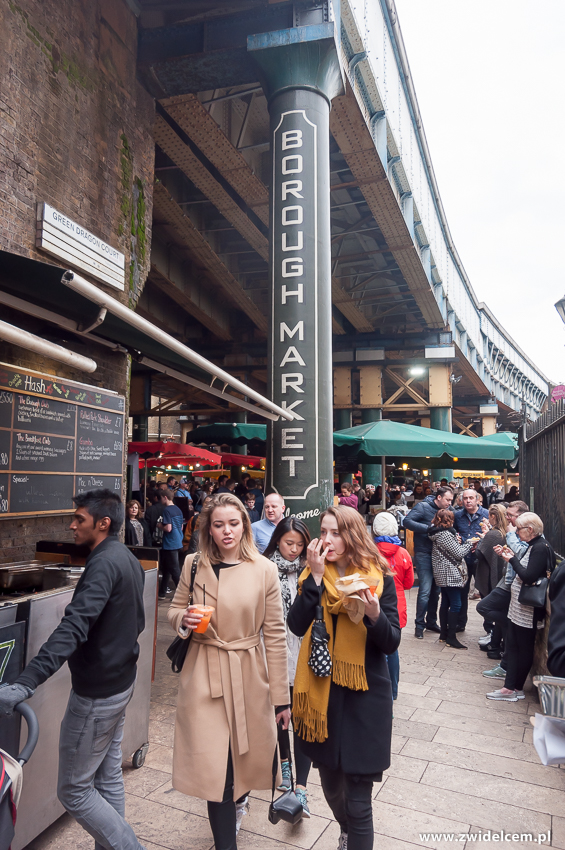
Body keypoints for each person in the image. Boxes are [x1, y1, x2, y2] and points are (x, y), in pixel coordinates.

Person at [0, 489, 146, 849]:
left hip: (97, 696)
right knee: (107, 774)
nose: (72, 525)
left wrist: (26, 681)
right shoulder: (125, 557)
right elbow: (136, 621)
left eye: (79, 518)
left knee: (74, 790)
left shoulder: (104, 563)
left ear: (103, 523)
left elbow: (73, 627)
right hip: (120, 684)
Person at [167, 493, 290, 848]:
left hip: (248, 674)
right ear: (208, 528)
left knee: (241, 764)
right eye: (218, 524)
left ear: (244, 526)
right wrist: (184, 619)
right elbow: (175, 610)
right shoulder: (193, 563)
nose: (226, 531)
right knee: (215, 768)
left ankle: (240, 802)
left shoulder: (264, 569)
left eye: (233, 524)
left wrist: (281, 700)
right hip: (203, 675)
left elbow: (276, 636)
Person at [287, 506, 400, 850]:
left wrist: (374, 614)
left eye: (336, 532)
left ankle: (354, 833)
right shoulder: (313, 576)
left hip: (366, 697)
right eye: (323, 532)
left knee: (359, 800)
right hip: (323, 696)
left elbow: (391, 641)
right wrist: (317, 580)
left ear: (352, 536)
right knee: (332, 786)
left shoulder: (379, 577)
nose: (327, 540)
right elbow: (296, 625)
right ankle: (346, 829)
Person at [264, 518, 313, 817]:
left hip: (305, 651)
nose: (294, 550)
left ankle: (302, 788)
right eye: (288, 543)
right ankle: (285, 766)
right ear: (277, 541)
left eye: (299, 545)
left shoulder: (313, 568)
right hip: (274, 649)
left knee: (303, 719)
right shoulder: (264, 569)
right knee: (279, 712)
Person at [488, 512, 555, 701]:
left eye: (518, 529)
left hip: (527, 608)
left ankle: (512, 688)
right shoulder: (535, 545)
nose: (516, 533)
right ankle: (512, 687)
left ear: (530, 530)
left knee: (521, 647)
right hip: (521, 606)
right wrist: (509, 556)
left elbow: (528, 576)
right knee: (515, 645)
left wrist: (512, 560)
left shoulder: (540, 547)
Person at [479, 500, 529, 681]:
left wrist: (510, 536)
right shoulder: (514, 531)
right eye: (506, 514)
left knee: (485, 608)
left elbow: (522, 554)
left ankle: (506, 667)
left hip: (513, 586)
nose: (507, 518)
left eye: (510, 515)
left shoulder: (522, 532)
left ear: (521, 516)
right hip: (507, 582)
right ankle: (503, 664)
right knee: (487, 609)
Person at [404, 486, 454, 639]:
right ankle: (419, 625)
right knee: (425, 590)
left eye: (451, 500)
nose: (449, 503)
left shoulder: (448, 510)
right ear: (438, 497)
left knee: (436, 591)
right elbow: (407, 521)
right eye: (447, 499)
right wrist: (428, 528)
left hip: (440, 554)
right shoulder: (423, 507)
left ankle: (431, 621)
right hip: (424, 553)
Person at [373, 511, 414, 700]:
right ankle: (393, 690)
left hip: (374, 604)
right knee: (392, 648)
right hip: (397, 606)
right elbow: (408, 583)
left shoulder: (370, 552)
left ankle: (379, 689)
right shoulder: (403, 553)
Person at [428, 509, 479, 650]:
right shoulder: (444, 534)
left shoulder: (437, 533)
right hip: (450, 573)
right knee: (456, 604)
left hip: (443, 572)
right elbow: (459, 553)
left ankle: (444, 635)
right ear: (449, 520)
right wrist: (469, 543)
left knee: (445, 602)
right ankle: (451, 637)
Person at [453, 489, 489, 631]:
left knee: (485, 591)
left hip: (481, 559)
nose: (468, 501)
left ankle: (488, 626)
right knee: (462, 592)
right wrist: (457, 537)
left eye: (471, 498)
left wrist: (480, 544)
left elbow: (493, 535)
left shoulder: (486, 514)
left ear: (477, 499)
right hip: (464, 559)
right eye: (465, 498)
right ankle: (460, 624)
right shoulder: (458, 515)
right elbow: (454, 531)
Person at [474, 504, 507, 656]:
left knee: (486, 605)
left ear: (493, 517)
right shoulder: (504, 532)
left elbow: (480, 554)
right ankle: (494, 637)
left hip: (489, 574)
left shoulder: (493, 534)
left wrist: (482, 540)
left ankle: (492, 634)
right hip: (498, 574)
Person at [158, 488, 184, 600]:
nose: (160, 501)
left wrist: (159, 525)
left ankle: (182, 595)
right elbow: (181, 526)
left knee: (174, 570)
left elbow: (168, 528)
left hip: (170, 543)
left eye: (160, 498)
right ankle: (162, 593)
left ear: (165, 497)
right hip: (178, 540)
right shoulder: (178, 509)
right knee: (167, 568)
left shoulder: (167, 510)